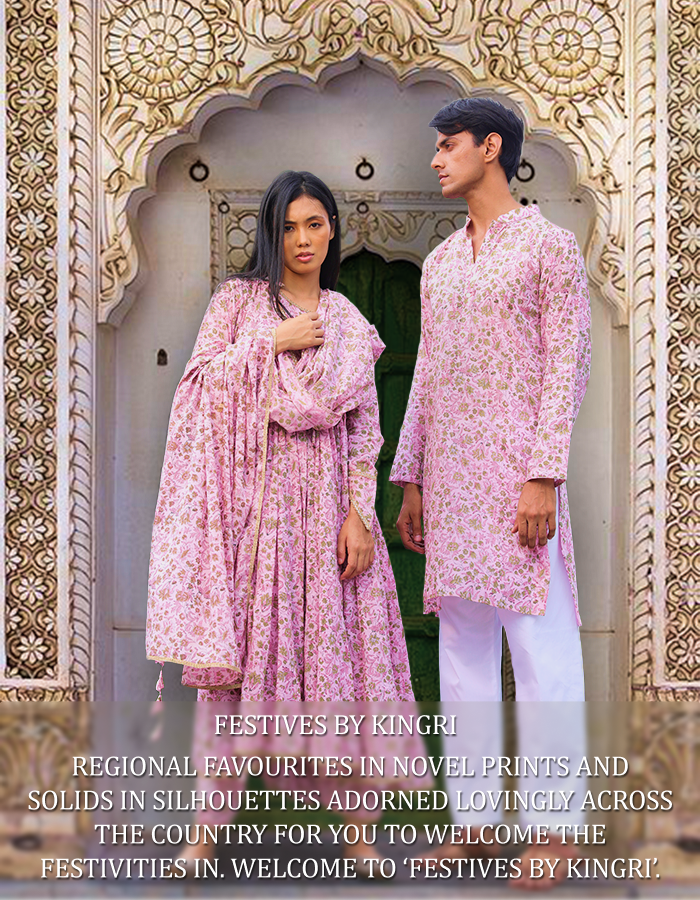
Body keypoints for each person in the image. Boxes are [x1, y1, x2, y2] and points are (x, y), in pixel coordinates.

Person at [391, 97, 591, 890]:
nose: (437, 159)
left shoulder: (548, 247)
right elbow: (427, 373)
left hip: (519, 487)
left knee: (543, 656)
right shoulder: (441, 263)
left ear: (492, 147)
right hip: (452, 487)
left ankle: (555, 831)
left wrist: (543, 474)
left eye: (449, 145)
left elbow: (567, 365)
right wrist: (411, 478)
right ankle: (473, 824)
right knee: (464, 658)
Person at [146, 170, 413, 701]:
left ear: (332, 227)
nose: (302, 240)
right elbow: (197, 388)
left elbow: (365, 434)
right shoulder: (238, 303)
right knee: (253, 661)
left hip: (331, 515)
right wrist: (272, 341)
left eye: (314, 224)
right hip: (258, 515)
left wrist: (361, 518)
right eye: (288, 228)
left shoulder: (349, 322)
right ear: (271, 233)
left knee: (339, 669)